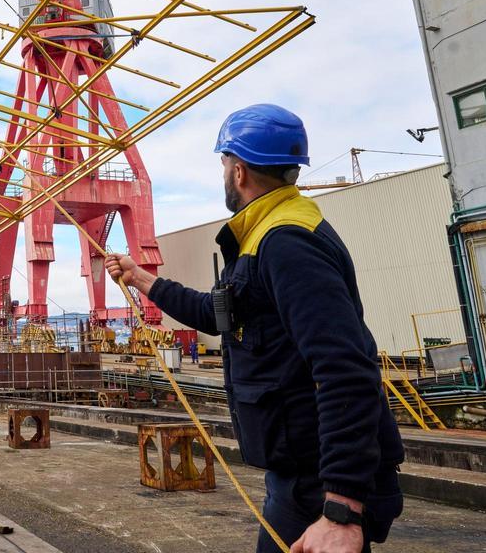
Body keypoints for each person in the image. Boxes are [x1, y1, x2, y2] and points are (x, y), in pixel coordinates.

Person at [105, 104, 404, 553]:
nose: (224, 173)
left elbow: (345, 369)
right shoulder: (265, 234)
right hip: (300, 473)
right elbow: (217, 314)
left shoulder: (286, 242)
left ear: (239, 170)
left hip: (317, 484)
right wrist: (140, 278)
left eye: (224, 163)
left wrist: (341, 511)